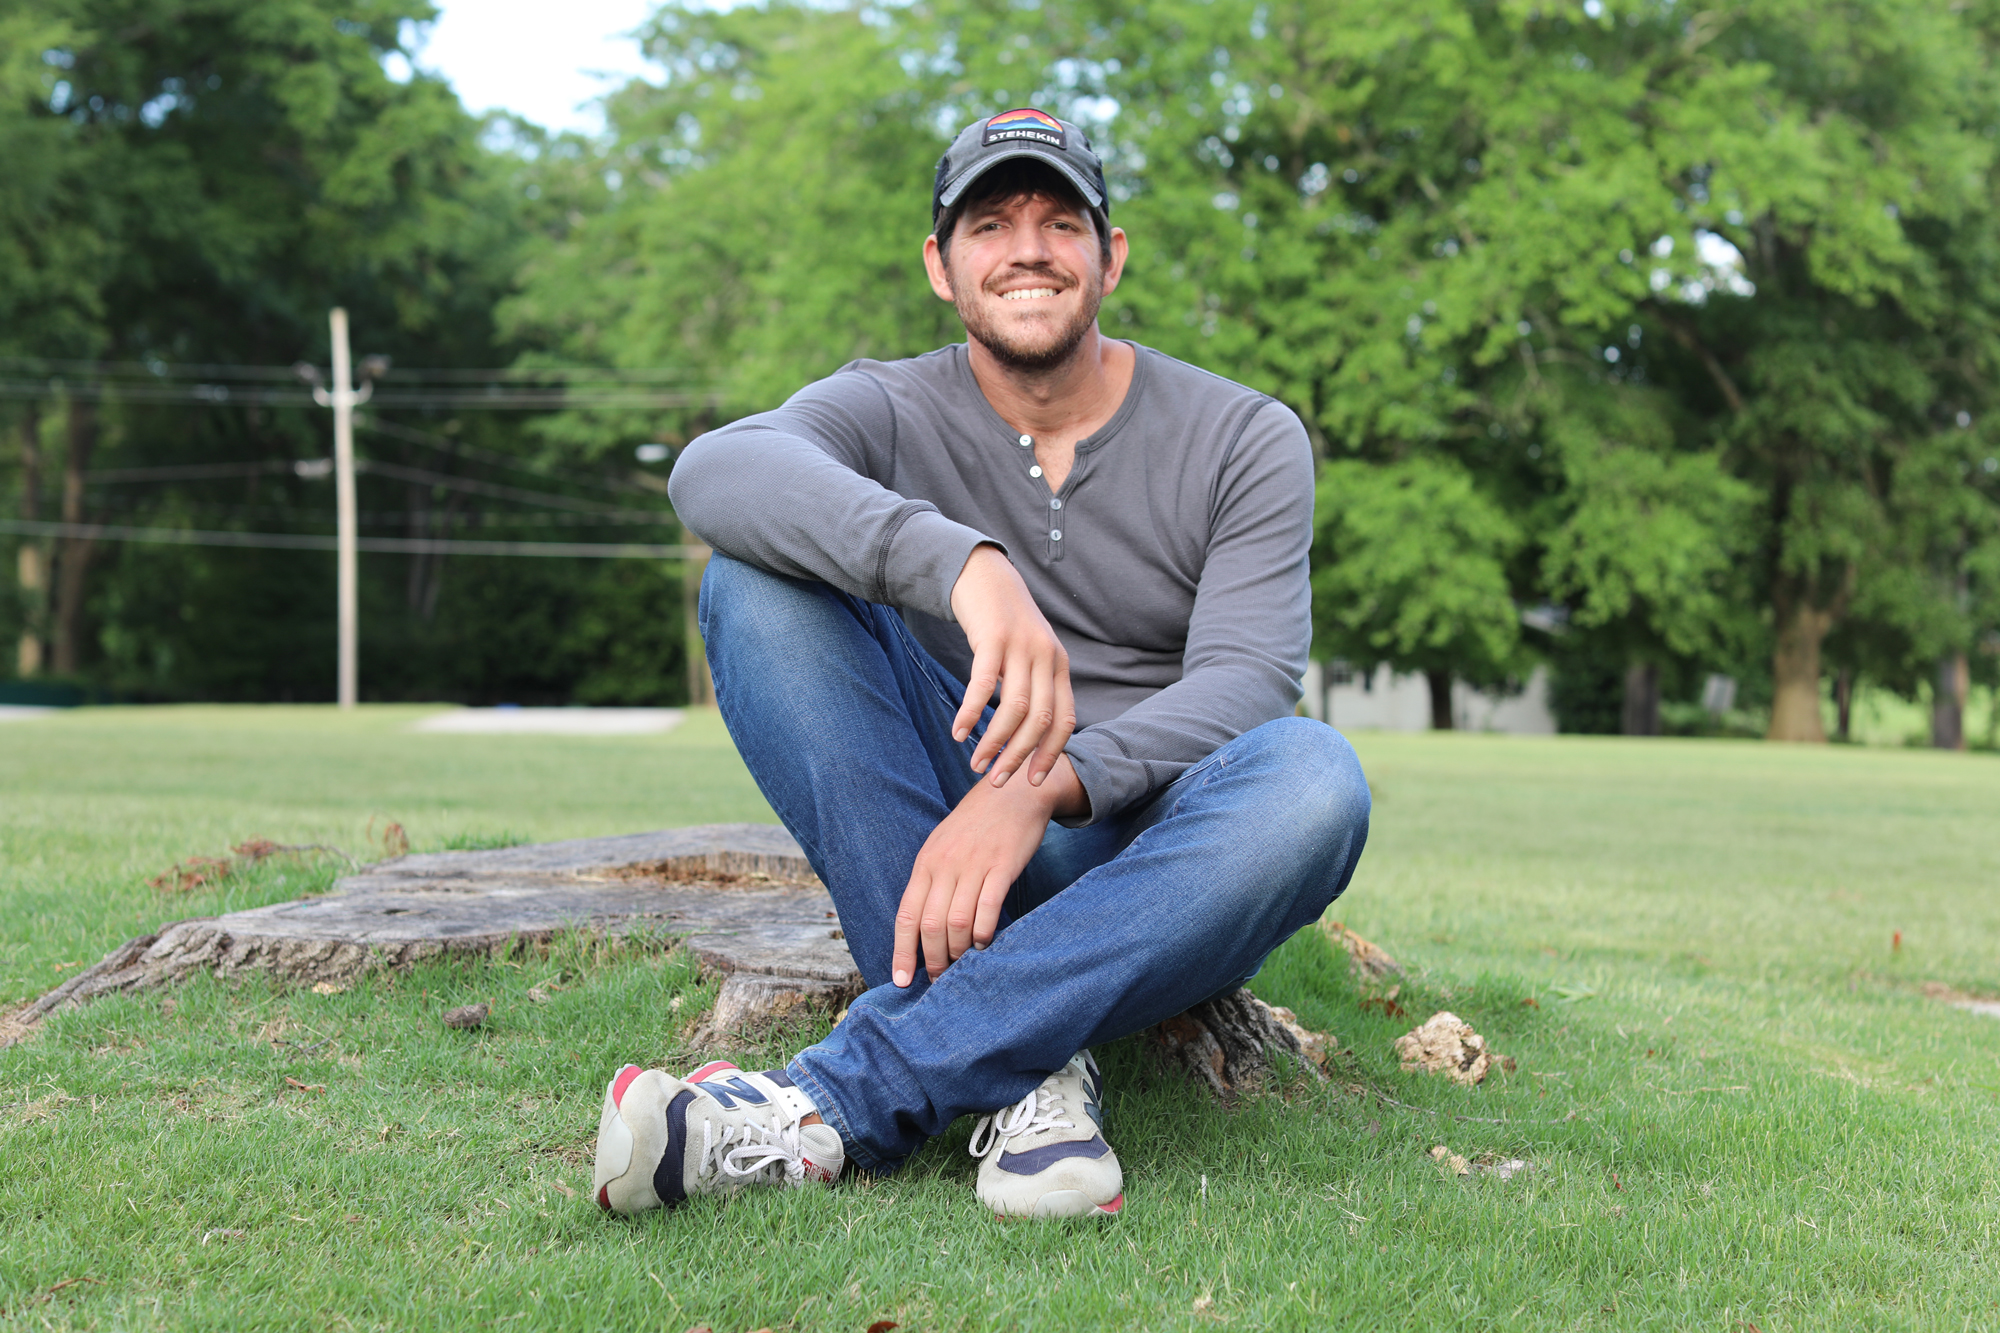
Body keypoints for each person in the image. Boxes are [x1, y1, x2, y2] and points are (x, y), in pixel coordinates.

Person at [591, 108, 1371, 1221]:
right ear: (940, 266)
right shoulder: (888, 403)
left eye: (1061, 223)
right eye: (991, 224)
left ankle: (838, 1099)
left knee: (1315, 778)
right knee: (753, 581)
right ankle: (1031, 1066)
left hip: (1147, 856)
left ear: (1110, 256)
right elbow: (715, 472)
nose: (1028, 250)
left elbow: (1248, 680)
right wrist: (962, 563)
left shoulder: (1245, 435)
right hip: (934, 834)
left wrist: (1044, 786)